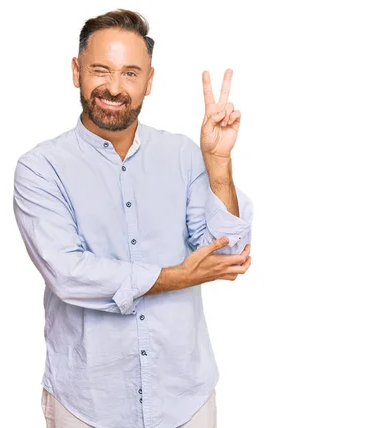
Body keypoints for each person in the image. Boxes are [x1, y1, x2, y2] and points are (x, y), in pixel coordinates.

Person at [13, 8, 253, 428]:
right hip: (87, 403)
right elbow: (69, 273)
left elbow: (228, 252)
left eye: (129, 73)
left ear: (149, 81)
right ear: (76, 71)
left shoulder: (182, 155)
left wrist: (218, 162)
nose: (113, 87)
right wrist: (174, 277)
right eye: (100, 70)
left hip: (185, 398)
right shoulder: (41, 168)